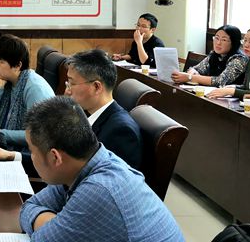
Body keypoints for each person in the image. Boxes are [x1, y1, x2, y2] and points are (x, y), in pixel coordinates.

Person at [18, 96, 184, 242]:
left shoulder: (99, 189)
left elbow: (43, 239)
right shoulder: (85, 162)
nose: (31, 156)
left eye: (32, 151)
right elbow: (29, 205)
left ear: (55, 157)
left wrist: (53, 227)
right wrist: (56, 225)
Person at [0, 49, 143, 171]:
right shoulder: (86, 114)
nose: (67, 90)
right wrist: (11, 156)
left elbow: (104, 187)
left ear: (96, 87)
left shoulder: (120, 131)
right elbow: (59, 161)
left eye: (71, 83)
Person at [0, 35, 54, 150]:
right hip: (7, 148)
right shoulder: (7, 81)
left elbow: (39, 135)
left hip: (31, 154)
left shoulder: (34, 88)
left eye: (0, 62)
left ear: (18, 65)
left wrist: (0, 132)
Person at [171, 24, 248, 86]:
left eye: (224, 40)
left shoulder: (239, 59)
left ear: (234, 43)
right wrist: (192, 72)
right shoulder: (214, 54)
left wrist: (190, 77)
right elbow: (196, 69)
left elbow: (220, 81)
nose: (218, 43)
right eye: (216, 38)